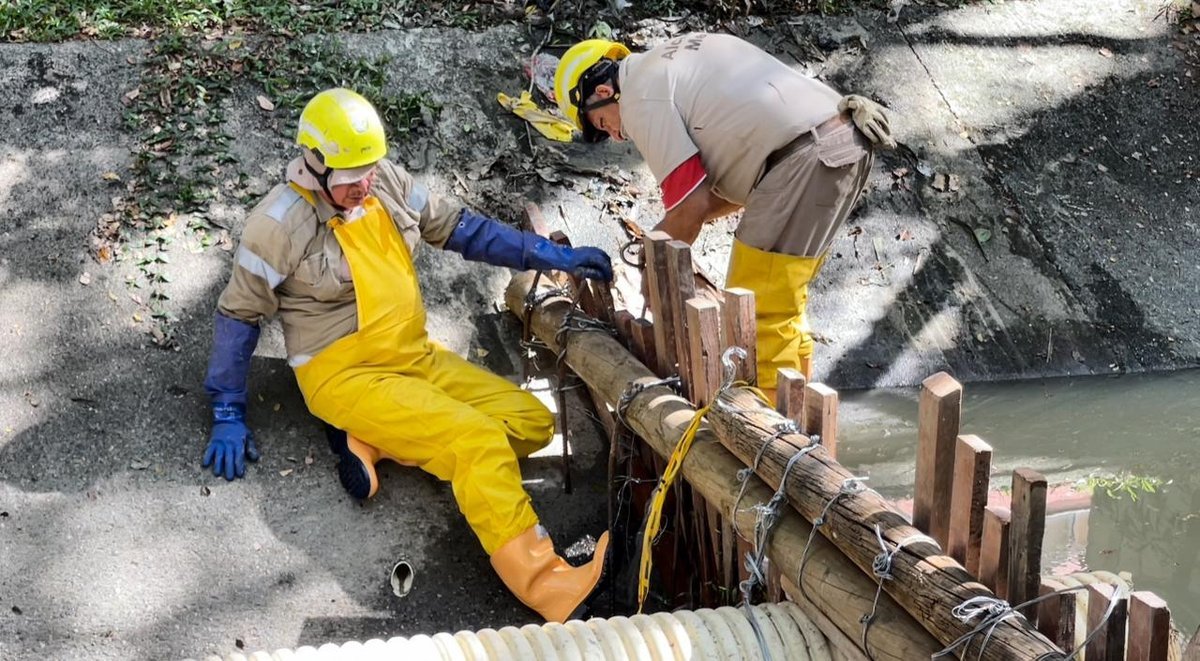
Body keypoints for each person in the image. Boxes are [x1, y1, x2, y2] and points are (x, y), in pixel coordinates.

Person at [200, 88, 613, 623]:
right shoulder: (276, 225)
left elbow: (461, 229)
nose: (364, 185)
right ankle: (553, 589)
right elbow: (238, 316)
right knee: (477, 442)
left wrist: (546, 254)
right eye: (351, 176)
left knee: (533, 423)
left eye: (370, 169)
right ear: (315, 163)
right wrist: (227, 409)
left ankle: (373, 439)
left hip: (413, 356)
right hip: (344, 375)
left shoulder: (384, 182)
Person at [554, 33, 895, 400]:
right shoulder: (676, 55)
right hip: (845, 137)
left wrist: (654, 265)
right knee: (785, 302)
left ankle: (771, 429)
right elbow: (711, 199)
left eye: (602, 124)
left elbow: (690, 207)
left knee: (754, 309)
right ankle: (803, 414)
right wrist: (661, 239)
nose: (617, 136)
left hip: (802, 156)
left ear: (603, 92)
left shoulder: (640, 96)